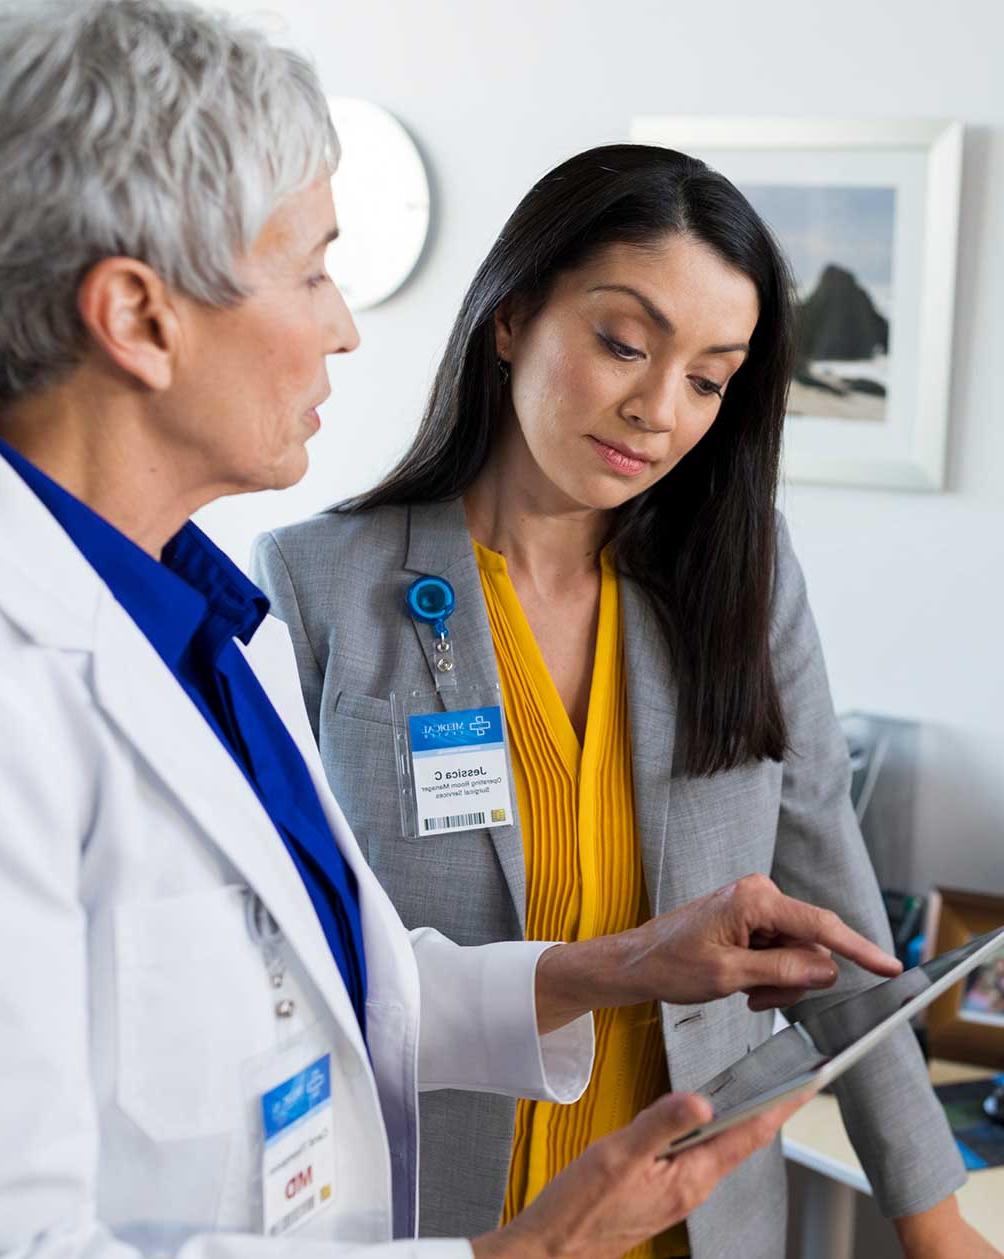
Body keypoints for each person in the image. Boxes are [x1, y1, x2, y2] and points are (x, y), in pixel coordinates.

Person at [0, 4, 905, 1259]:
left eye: (705, 376)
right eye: (314, 267)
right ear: (140, 317)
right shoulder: (239, 608)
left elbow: (347, 979)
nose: (347, 325)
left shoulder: (200, 626)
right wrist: (516, 1253)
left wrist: (624, 961)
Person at [254, 145, 996, 1258]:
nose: (656, 408)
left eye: (707, 378)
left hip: (697, 1229)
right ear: (509, 318)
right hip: (443, 1224)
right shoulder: (317, 584)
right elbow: (285, 969)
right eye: (622, 343)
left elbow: (838, 927)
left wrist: (931, 1220)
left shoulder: (738, 582)